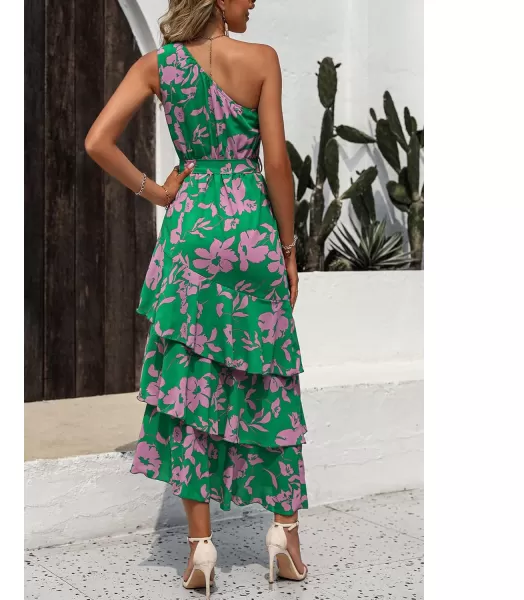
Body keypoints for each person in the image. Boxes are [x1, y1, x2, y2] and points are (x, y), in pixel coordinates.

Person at [85, 0, 308, 596]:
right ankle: (285, 536)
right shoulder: (262, 60)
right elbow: (277, 162)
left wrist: (156, 192)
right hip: (251, 229)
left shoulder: (159, 66)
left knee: (190, 383)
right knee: (270, 374)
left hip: (190, 233)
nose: (254, 2)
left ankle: (200, 550)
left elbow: (98, 141)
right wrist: (288, 248)